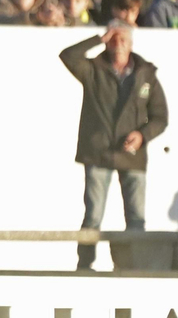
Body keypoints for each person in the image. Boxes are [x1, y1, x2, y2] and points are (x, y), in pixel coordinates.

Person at [61, 23, 167, 270]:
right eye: (113, 40)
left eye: (122, 40)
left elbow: (161, 117)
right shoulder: (93, 70)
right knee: (93, 217)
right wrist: (98, 38)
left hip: (133, 155)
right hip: (98, 153)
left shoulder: (146, 74)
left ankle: (136, 268)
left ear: (131, 45)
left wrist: (142, 136)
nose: (117, 44)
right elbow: (67, 55)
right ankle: (84, 268)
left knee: (136, 220)